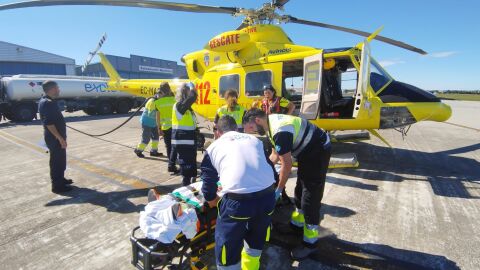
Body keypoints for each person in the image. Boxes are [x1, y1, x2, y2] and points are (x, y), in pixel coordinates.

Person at [242, 108, 332, 260]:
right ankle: (296, 226)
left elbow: (287, 165)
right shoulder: (270, 125)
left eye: (251, 128)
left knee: (310, 196)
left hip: (318, 151)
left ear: (257, 120)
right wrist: (263, 172)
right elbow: (274, 155)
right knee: (299, 188)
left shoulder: (280, 130)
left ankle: (310, 244)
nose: (252, 132)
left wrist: (278, 189)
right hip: (307, 151)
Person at [201, 115, 276, 269]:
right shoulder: (255, 140)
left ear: (218, 132)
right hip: (267, 198)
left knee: (227, 246)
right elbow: (270, 168)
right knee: (256, 238)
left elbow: (208, 185)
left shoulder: (213, 147)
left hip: (238, 204)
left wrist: (212, 200)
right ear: (236, 128)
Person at [38, 80, 73, 193]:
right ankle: (57, 186)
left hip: (55, 137)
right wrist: (60, 138)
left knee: (60, 159)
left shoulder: (45, 100)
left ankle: (60, 179)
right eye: (57, 88)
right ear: (52, 89)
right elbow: (49, 124)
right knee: (56, 161)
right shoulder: (48, 103)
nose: (59, 90)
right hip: (54, 138)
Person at [172, 82, 198, 186]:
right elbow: (192, 98)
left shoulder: (187, 108)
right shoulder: (178, 106)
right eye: (188, 92)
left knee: (191, 162)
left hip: (189, 140)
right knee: (186, 164)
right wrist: (193, 89)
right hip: (182, 141)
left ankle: (190, 181)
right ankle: (185, 185)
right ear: (184, 93)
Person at [154, 82, 179, 174]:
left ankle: (171, 163)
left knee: (168, 146)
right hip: (175, 127)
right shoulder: (175, 100)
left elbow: (158, 117)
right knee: (175, 146)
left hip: (165, 127)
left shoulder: (158, 102)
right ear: (169, 89)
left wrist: (159, 128)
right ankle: (173, 164)